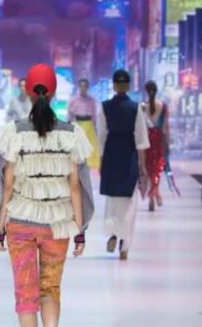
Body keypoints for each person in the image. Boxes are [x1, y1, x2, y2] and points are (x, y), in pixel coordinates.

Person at [0, 64, 90, 327]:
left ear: (27, 91)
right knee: (50, 289)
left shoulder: (14, 133)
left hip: (21, 222)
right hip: (57, 224)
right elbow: (75, 186)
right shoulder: (70, 134)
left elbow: (7, 185)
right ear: (54, 91)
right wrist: (80, 230)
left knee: (25, 294)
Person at [97, 70, 150, 261]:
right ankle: (124, 245)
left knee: (112, 201)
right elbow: (141, 140)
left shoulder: (104, 107)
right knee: (129, 201)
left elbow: (101, 137)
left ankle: (113, 233)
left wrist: (101, 162)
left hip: (111, 155)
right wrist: (143, 167)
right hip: (129, 155)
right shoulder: (135, 108)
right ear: (128, 85)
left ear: (113, 85)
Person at [142, 81, 169, 211]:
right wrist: (167, 144)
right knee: (157, 169)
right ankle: (155, 193)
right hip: (158, 141)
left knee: (148, 169)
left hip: (146, 140)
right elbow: (165, 128)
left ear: (146, 91)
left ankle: (152, 196)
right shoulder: (163, 106)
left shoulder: (142, 107)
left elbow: (140, 127)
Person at [68, 79, 101, 171]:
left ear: (87, 87)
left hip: (89, 126)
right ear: (78, 87)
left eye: (85, 86)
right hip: (77, 125)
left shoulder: (92, 101)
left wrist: (94, 127)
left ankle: (88, 169)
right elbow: (70, 115)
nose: (83, 88)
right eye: (81, 86)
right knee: (77, 149)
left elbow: (94, 115)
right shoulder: (73, 100)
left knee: (90, 149)